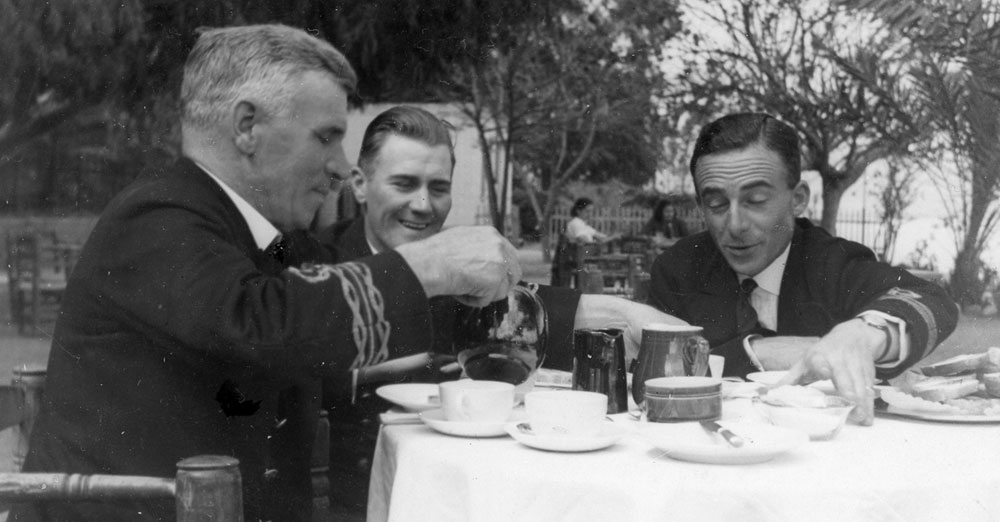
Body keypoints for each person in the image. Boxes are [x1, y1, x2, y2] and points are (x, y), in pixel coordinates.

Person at [12, 25, 522, 522]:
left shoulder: (262, 235)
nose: (342, 167)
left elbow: (338, 292)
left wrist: (572, 313)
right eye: (326, 138)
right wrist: (429, 264)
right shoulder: (156, 217)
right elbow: (263, 324)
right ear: (247, 127)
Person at [316, 105, 685, 514]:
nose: (422, 205)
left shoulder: (457, 266)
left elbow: (518, 305)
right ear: (360, 184)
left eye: (438, 188)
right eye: (404, 184)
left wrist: (621, 313)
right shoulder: (314, 266)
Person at [649, 112, 957, 425]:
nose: (735, 225)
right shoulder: (677, 269)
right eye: (716, 205)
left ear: (798, 200)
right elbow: (655, 374)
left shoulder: (832, 262)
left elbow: (930, 299)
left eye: (755, 200)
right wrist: (763, 352)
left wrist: (863, 335)